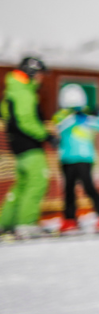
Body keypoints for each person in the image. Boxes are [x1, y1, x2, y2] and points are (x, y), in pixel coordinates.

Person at [0, 57, 54, 239]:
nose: (41, 78)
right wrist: (46, 135)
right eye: (39, 74)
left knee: (22, 185)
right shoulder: (23, 92)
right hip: (29, 146)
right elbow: (26, 120)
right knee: (37, 182)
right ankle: (26, 224)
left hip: (17, 146)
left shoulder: (12, 90)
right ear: (31, 73)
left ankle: (6, 223)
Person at [52, 83, 99, 233]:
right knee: (68, 190)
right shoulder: (62, 116)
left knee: (89, 188)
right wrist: (76, 117)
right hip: (67, 159)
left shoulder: (87, 118)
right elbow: (60, 126)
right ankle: (69, 219)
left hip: (85, 158)